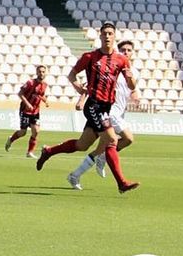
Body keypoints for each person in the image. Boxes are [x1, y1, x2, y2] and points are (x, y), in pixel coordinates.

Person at [35, 22, 139, 193]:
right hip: (94, 105)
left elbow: (132, 85)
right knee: (112, 140)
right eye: (104, 33)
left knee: (82, 145)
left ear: (114, 36)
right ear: (100, 36)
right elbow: (72, 75)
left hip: (106, 107)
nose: (107, 36)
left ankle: (49, 151)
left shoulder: (121, 60)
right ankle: (121, 183)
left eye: (110, 33)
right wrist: (79, 89)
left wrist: (130, 78)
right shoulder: (90, 57)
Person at [67, 40, 140, 190]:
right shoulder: (114, 66)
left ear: (133, 53)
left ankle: (75, 174)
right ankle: (120, 181)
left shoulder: (132, 71)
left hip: (118, 113)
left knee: (87, 145)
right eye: (123, 50)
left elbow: (132, 87)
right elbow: (91, 85)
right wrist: (81, 99)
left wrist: (135, 93)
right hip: (107, 112)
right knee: (126, 139)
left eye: (129, 50)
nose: (126, 52)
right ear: (118, 51)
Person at [5, 64, 49, 158]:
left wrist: (45, 100)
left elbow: (40, 94)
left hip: (36, 111)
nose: (41, 73)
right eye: (40, 71)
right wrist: (28, 104)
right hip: (25, 110)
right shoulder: (30, 83)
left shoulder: (45, 85)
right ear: (36, 72)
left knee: (36, 131)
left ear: (45, 73)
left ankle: (29, 152)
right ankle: (11, 139)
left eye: (43, 72)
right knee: (23, 132)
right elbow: (20, 93)